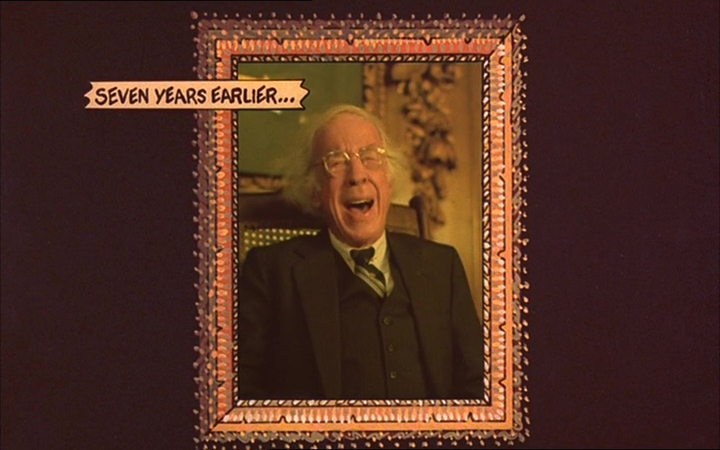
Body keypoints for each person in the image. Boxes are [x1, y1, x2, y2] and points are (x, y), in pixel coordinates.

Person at [237, 105, 484, 400]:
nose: (357, 175)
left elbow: (477, 384)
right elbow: (244, 393)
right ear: (314, 191)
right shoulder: (270, 272)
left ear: (388, 181)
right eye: (335, 162)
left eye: (370, 157)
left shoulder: (443, 266)